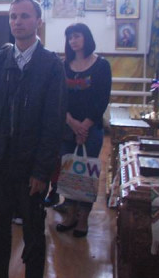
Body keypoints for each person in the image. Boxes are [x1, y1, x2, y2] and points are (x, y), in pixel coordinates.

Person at [0, 0, 67, 278]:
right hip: (0, 159)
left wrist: (42, 170)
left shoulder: (51, 64)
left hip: (31, 162)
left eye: (24, 16)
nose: (17, 22)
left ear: (38, 21)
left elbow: (53, 122)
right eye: (13, 16)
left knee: (33, 231)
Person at [55, 23, 111, 237]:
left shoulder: (101, 65)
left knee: (86, 174)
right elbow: (60, 98)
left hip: (91, 129)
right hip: (67, 127)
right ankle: (69, 214)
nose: (73, 41)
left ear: (86, 38)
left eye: (77, 36)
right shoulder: (64, 65)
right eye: (70, 38)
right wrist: (71, 123)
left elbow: (102, 99)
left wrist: (84, 126)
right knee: (68, 172)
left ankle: (83, 219)